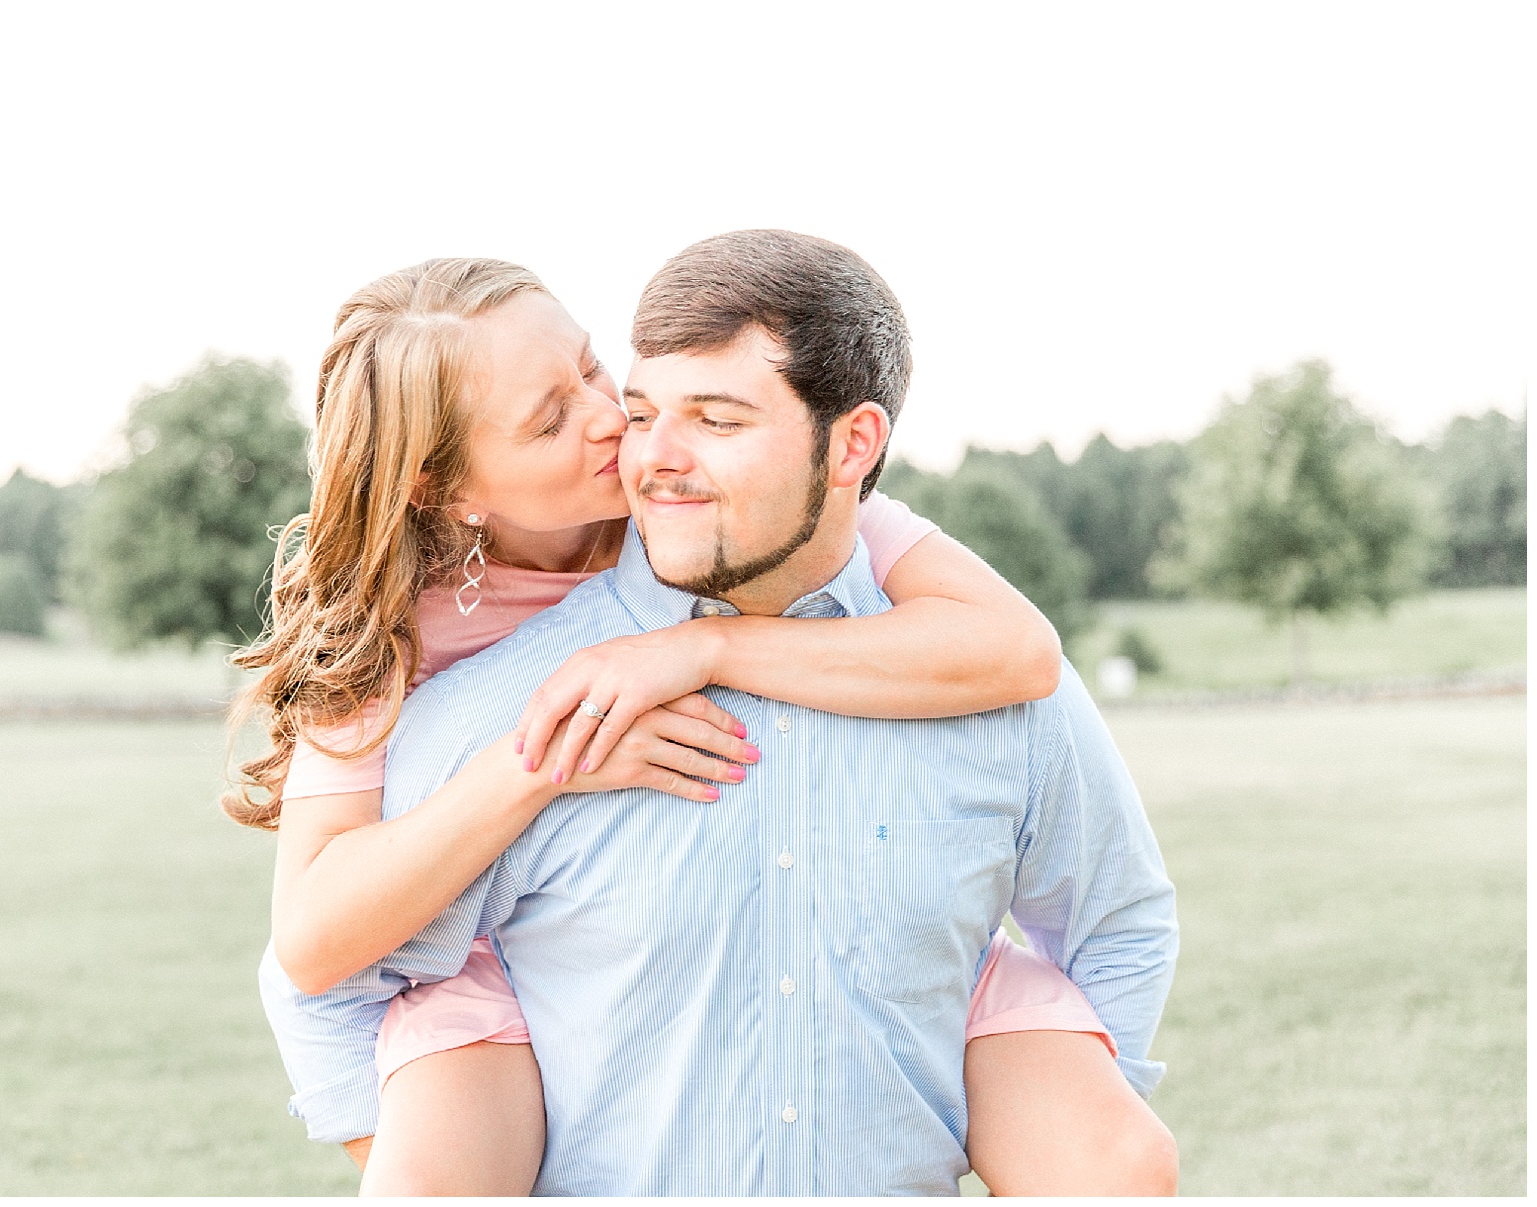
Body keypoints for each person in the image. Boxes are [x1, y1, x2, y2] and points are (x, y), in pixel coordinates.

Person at [239, 237, 1177, 1194]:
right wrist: (542, 759)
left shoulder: (770, 513)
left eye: (595, 370)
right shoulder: (389, 641)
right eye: (553, 417)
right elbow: (315, 951)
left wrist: (704, 648)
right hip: (482, 980)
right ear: (450, 489)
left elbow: (1019, 655)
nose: (621, 427)